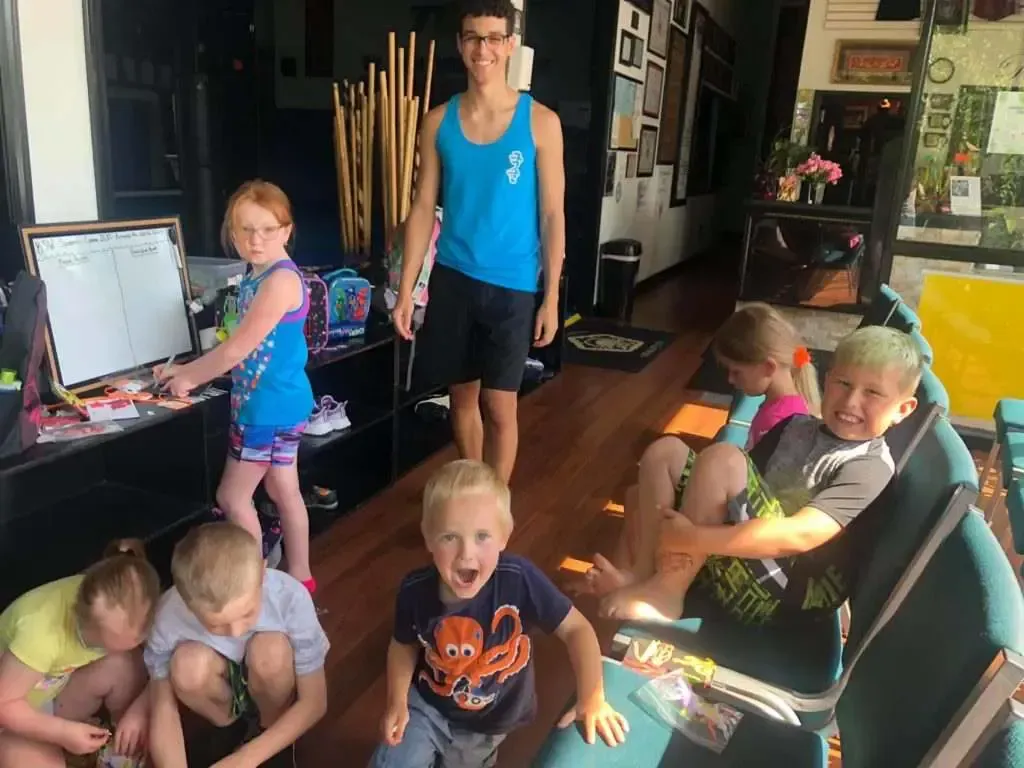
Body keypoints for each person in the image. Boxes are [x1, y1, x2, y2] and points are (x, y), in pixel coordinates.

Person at [589, 325, 921, 624]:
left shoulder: (870, 468)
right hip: (747, 555)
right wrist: (689, 529)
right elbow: (733, 489)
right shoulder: (795, 426)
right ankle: (645, 577)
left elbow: (799, 536)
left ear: (903, 410)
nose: (850, 401)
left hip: (789, 591)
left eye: (872, 393)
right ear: (827, 379)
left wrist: (691, 537)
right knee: (666, 452)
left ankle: (667, 593)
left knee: (722, 457)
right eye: (843, 383)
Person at [392, 0, 566, 485]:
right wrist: (406, 289)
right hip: (453, 278)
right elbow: (422, 207)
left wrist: (551, 296)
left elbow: (553, 215)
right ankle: (475, 492)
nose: (482, 49)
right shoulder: (438, 121)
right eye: (472, 37)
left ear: (510, 45)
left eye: (493, 38)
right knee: (462, 398)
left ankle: (497, 503)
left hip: (513, 285)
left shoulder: (541, 122)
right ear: (460, 44)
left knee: (500, 403)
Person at [371, 460, 628, 767]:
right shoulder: (415, 590)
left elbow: (577, 629)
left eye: (482, 536)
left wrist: (591, 696)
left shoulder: (519, 579)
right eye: (449, 537)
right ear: (428, 538)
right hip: (425, 706)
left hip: (486, 725)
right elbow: (403, 644)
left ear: (505, 536)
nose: (466, 553)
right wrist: (397, 700)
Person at [156, 180, 318, 595]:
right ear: (232, 232)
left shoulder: (279, 281)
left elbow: (238, 348)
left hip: (266, 409)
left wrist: (191, 377)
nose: (255, 240)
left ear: (286, 231)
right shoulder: (258, 273)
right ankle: (301, 576)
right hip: (280, 403)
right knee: (282, 488)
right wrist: (188, 367)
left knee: (231, 497)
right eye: (245, 230)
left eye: (267, 229)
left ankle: (254, 585)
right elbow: (238, 343)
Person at [144, 522, 329, 767]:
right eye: (216, 625)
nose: (236, 631)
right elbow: (163, 708)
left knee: (270, 652)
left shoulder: (290, 597)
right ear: (186, 603)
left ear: (263, 573)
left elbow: (315, 702)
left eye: (247, 613)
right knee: (185, 666)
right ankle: (229, 727)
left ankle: (269, 729)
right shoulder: (167, 615)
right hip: (218, 677)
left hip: (272, 673)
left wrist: (245, 760)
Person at [0, 541, 161, 768]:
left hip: (51, 688)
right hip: (13, 712)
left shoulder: (111, 598)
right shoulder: (40, 634)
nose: (136, 644)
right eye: (106, 644)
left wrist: (139, 711)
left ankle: (120, 750)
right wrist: (62, 733)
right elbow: (4, 705)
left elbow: (159, 664)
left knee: (126, 665)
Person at [712, 302, 820, 450]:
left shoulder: (780, 423)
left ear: (768, 367)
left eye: (737, 372)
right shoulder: (778, 407)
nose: (730, 379)